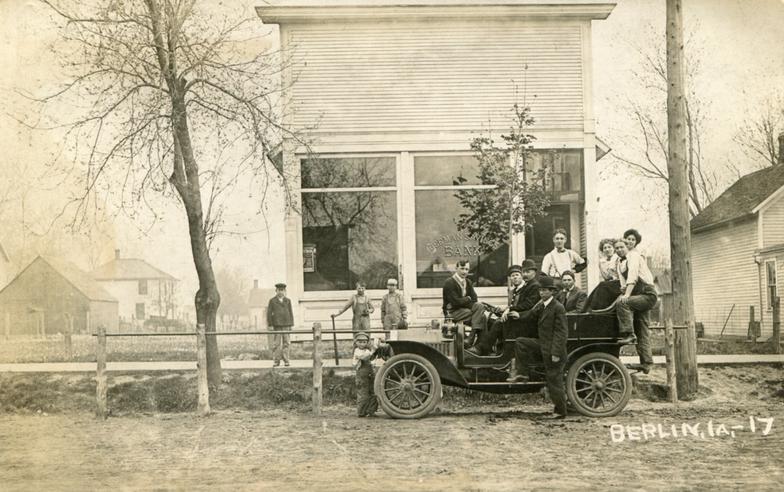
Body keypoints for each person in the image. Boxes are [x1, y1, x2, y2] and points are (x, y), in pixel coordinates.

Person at [507, 276, 569, 419]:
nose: (542, 293)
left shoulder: (558, 307)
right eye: (540, 290)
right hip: (543, 345)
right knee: (520, 342)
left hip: (553, 350)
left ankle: (561, 411)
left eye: (545, 290)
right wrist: (518, 315)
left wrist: (556, 353)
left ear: (552, 292)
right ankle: (522, 373)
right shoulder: (541, 305)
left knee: (554, 381)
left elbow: (561, 333)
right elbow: (530, 315)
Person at [472, 260, 541, 356]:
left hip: (527, 322)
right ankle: (488, 349)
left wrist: (509, 309)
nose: (525, 274)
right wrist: (505, 310)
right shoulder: (528, 285)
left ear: (534, 272)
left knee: (499, 323)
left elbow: (528, 305)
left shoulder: (535, 286)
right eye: (524, 272)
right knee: (491, 321)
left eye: (528, 272)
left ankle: (483, 348)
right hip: (522, 319)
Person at [614, 232, 657, 374]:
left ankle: (628, 334)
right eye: (617, 248)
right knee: (642, 329)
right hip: (637, 294)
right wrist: (623, 290)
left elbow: (632, 276)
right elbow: (623, 282)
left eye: (622, 247)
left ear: (627, 247)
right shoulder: (619, 263)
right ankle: (646, 363)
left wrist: (626, 295)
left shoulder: (634, 256)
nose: (620, 250)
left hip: (647, 293)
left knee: (623, 303)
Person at [442, 260, 487, 347]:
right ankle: (475, 341)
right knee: (481, 316)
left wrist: (465, 301)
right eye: (462, 268)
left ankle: (477, 343)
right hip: (452, 312)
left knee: (480, 309)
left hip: (465, 311)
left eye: (467, 269)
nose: (464, 272)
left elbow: (475, 299)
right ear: (456, 268)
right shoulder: (449, 282)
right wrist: (468, 298)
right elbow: (455, 302)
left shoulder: (468, 282)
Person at [352, 332, 379, 417]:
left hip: (370, 373)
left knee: (373, 392)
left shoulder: (367, 351)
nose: (362, 344)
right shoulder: (357, 351)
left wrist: (374, 355)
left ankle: (371, 411)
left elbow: (372, 360)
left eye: (364, 342)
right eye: (360, 342)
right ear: (356, 342)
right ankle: (361, 412)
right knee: (363, 393)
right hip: (361, 374)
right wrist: (372, 352)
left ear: (367, 343)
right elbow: (364, 357)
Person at [267, 282, 293, 367]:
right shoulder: (272, 301)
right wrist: (270, 325)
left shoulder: (288, 301)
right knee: (276, 344)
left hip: (286, 324)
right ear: (276, 291)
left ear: (285, 291)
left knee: (286, 343)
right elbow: (269, 313)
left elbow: (290, 313)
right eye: (279, 290)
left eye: (282, 290)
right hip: (277, 325)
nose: (281, 292)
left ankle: (286, 360)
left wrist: (291, 324)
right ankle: (276, 361)